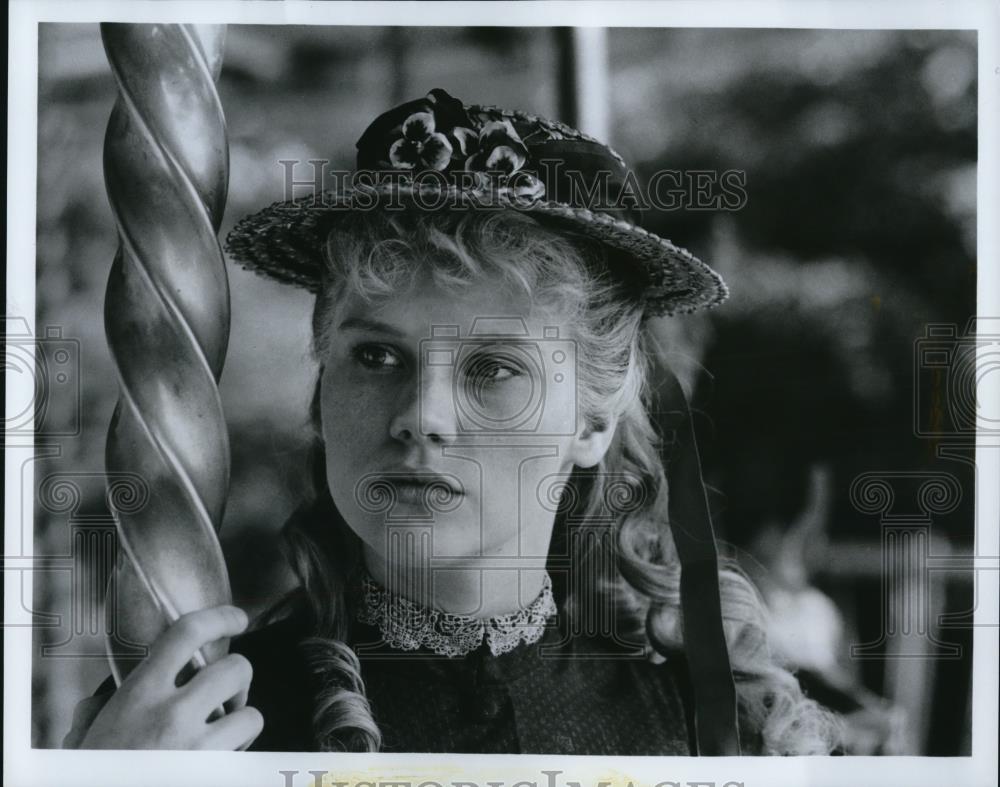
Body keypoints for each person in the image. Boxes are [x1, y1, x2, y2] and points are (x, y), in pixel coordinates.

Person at [65, 88, 841, 755]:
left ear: (592, 420)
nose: (420, 415)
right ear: (322, 388)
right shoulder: (201, 727)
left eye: (493, 368)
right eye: (376, 356)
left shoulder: (709, 724)